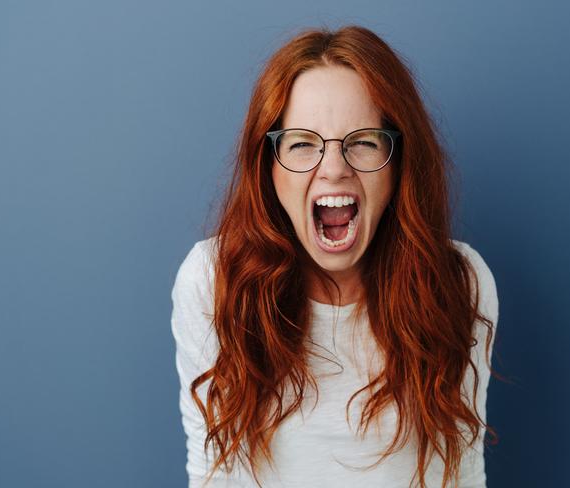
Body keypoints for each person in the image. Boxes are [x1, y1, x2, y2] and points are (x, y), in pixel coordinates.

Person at [171, 25, 499, 488]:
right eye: (302, 143)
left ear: (398, 162)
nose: (333, 168)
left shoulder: (459, 283)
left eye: (363, 141)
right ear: (269, 167)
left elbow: (461, 471)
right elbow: (213, 472)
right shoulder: (213, 280)